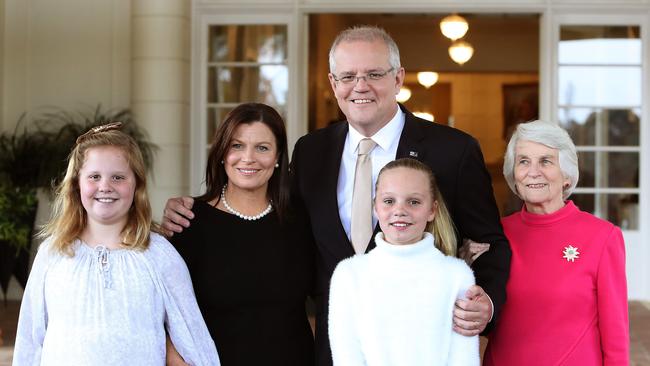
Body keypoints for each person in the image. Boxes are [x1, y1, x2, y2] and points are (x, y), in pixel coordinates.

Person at [163, 26, 510, 366]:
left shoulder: (454, 151)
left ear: (398, 78)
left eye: (374, 73)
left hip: (420, 344)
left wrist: (488, 304)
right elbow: (266, 215)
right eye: (347, 76)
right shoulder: (312, 150)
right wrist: (194, 209)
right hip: (331, 348)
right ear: (333, 84)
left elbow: (489, 242)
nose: (360, 86)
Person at [12, 123, 219, 365]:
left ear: (137, 185)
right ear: (77, 185)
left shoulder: (158, 254)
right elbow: (30, 337)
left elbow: (192, 334)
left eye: (118, 177)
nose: (105, 186)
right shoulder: (54, 252)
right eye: (94, 177)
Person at [167, 103, 315, 365]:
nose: (248, 158)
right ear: (222, 153)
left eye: (262, 147)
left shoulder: (302, 219)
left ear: (278, 156)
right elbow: (167, 317)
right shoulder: (188, 222)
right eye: (237, 146)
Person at [482, 120, 629, 365]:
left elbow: (616, 335)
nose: (533, 171)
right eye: (524, 161)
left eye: (546, 161)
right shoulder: (496, 234)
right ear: (514, 175)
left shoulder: (602, 237)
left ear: (567, 177)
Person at [328, 158, 479, 365]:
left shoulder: (456, 275)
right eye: (389, 201)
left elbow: (463, 358)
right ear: (375, 207)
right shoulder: (349, 274)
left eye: (414, 202)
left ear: (432, 210)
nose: (400, 210)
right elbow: (346, 356)